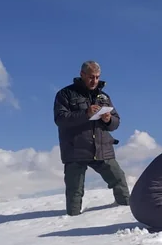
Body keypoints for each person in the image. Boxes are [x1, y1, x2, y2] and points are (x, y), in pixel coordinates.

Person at [53, 60, 130, 216]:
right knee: (75, 190)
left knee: (119, 179)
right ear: (82, 75)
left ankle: (127, 212)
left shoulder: (104, 97)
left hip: (102, 149)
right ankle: (70, 224)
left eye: (97, 77)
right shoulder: (65, 94)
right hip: (75, 150)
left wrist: (108, 119)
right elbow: (60, 119)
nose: (94, 80)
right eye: (91, 77)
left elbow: (116, 123)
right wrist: (86, 114)